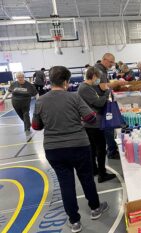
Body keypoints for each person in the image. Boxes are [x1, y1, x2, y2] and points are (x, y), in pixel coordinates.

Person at [32, 66, 109, 233]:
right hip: (78, 145)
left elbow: (36, 126)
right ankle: (95, 208)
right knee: (86, 178)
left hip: (54, 149)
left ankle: (74, 221)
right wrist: (77, 121)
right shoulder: (74, 97)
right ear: (66, 82)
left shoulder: (40, 101)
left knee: (65, 184)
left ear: (49, 81)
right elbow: (90, 117)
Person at [78, 66, 116, 183]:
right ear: (93, 76)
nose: (98, 80)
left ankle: (95, 170)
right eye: (98, 78)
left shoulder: (87, 87)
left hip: (90, 122)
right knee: (100, 149)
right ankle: (102, 174)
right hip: (93, 124)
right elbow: (98, 103)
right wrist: (107, 92)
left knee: (93, 149)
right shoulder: (85, 88)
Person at [94, 53, 125, 159]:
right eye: (111, 62)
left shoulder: (99, 69)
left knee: (106, 128)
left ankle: (110, 149)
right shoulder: (99, 71)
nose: (112, 64)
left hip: (100, 102)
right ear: (104, 60)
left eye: (113, 62)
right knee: (108, 127)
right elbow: (103, 87)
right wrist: (116, 83)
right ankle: (112, 151)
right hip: (101, 103)